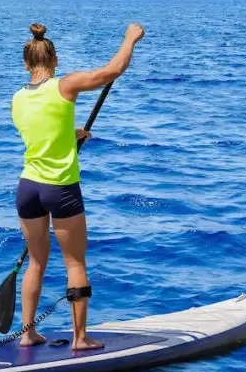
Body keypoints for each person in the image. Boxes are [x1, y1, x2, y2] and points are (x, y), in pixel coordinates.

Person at [11, 22, 145, 349]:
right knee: (75, 263)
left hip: (28, 188)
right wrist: (130, 38)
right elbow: (113, 70)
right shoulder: (65, 86)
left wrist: (73, 137)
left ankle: (27, 334)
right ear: (54, 60)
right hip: (61, 188)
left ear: (26, 64)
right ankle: (80, 338)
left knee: (36, 263)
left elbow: (42, 137)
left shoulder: (17, 99)